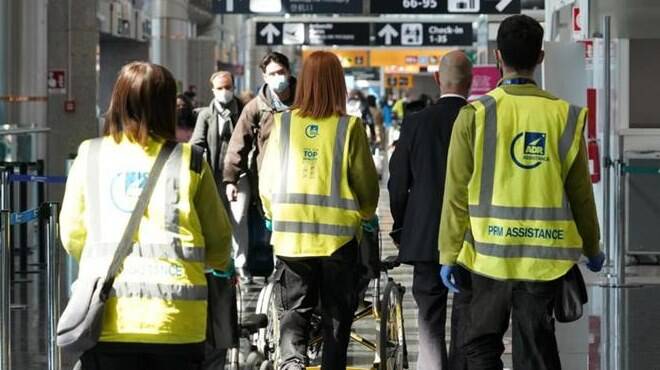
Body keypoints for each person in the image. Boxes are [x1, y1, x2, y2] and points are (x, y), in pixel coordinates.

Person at [438, 15, 605, 370]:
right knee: (536, 347)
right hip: (543, 260)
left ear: (498, 56)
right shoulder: (566, 116)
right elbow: (581, 194)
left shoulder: (474, 115)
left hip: (487, 256)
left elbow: (456, 192)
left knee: (481, 345)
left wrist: (448, 253)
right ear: (540, 57)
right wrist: (592, 246)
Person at [59, 62, 232, 370]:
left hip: (108, 316)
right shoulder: (189, 160)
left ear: (118, 101)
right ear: (167, 106)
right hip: (178, 322)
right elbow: (219, 244)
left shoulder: (91, 154)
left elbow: (72, 234)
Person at [259, 50, 379, 370]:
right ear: (338, 84)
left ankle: (292, 363)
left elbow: (266, 183)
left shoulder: (283, 124)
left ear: (305, 82)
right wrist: (365, 214)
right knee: (337, 316)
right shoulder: (349, 128)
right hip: (338, 241)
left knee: (294, 312)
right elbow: (367, 188)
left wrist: (275, 214)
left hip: (291, 239)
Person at [388, 50, 473, 370]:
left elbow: (397, 184)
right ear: (471, 81)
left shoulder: (415, 123)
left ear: (438, 79)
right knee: (467, 317)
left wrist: (400, 226)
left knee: (429, 321)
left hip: (426, 235)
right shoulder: (480, 119)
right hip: (471, 235)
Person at [190, 71, 248, 278]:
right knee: (218, 219)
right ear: (213, 90)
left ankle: (241, 265)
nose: (225, 92)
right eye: (220, 88)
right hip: (215, 175)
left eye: (228, 87)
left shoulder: (242, 111)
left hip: (240, 175)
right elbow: (197, 143)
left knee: (238, 219)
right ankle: (221, 263)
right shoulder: (206, 114)